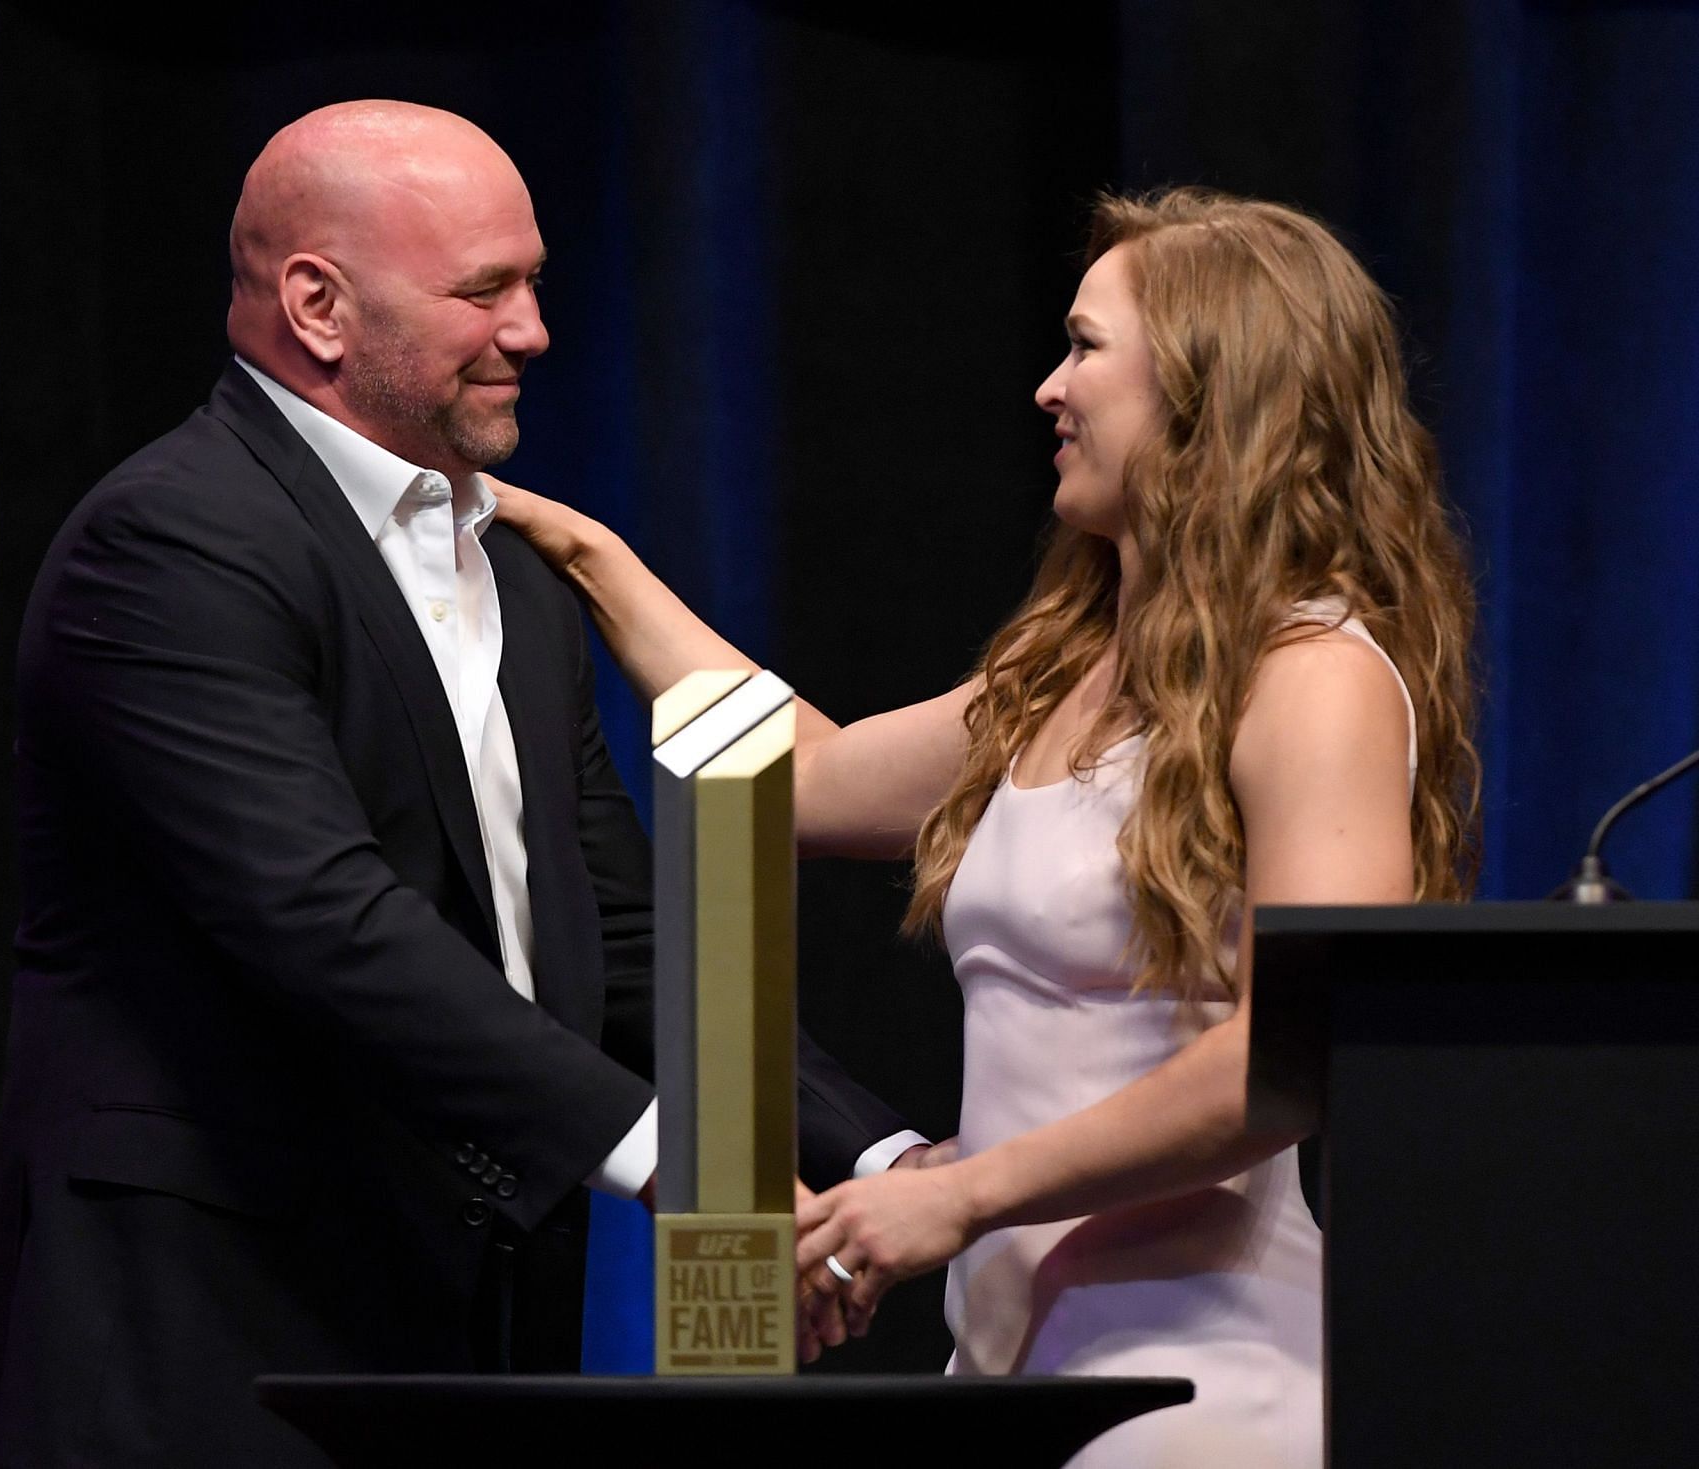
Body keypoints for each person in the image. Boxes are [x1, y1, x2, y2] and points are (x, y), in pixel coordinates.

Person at [0, 100, 923, 1468]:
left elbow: (625, 928)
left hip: (463, 1319)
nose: (534, 330)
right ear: (318, 303)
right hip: (223, 1333)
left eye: (534, 282)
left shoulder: (514, 568)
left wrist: (881, 1158)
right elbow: (324, 919)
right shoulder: (173, 540)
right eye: (485, 289)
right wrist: (686, 1161)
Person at [490, 186, 1480, 1465]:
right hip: (1019, 1365)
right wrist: (586, 556)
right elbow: (791, 776)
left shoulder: (1316, 672)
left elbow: (1284, 1055)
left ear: (1205, 388)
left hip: (1202, 1387)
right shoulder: (1068, 675)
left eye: (1084, 347)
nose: (1048, 390)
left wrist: (958, 1194)